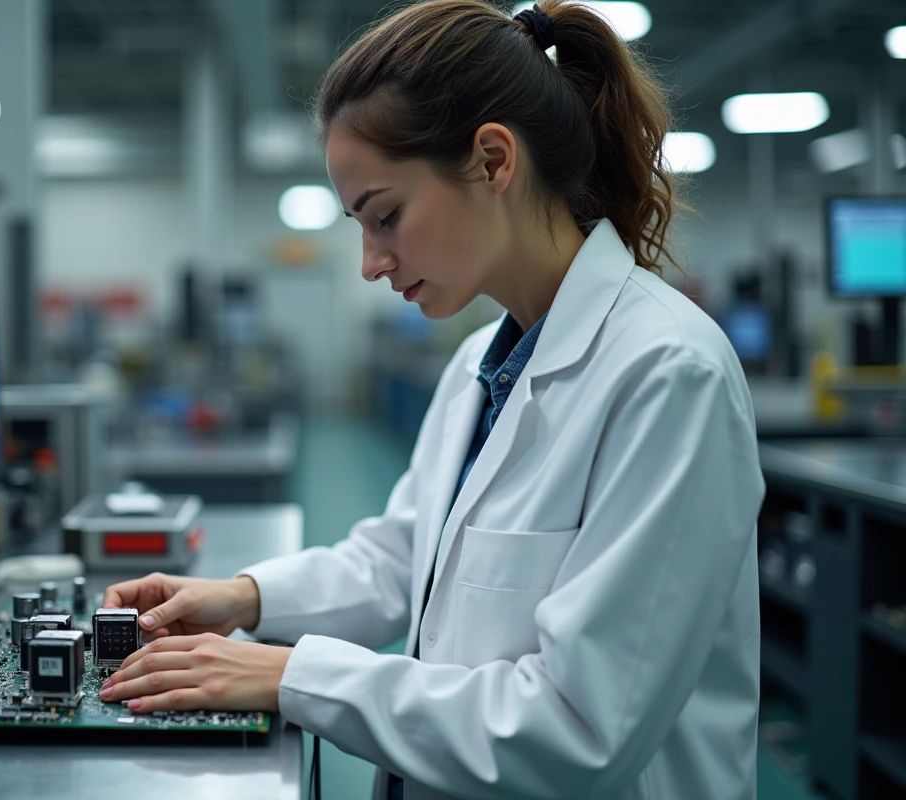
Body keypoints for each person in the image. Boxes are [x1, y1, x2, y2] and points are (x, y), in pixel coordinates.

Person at [100, 1, 764, 797]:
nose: (371, 263)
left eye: (386, 216)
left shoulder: (666, 374)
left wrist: (288, 676)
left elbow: (579, 727)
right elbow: (402, 560)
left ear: (492, 160)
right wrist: (241, 599)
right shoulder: (482, 368)